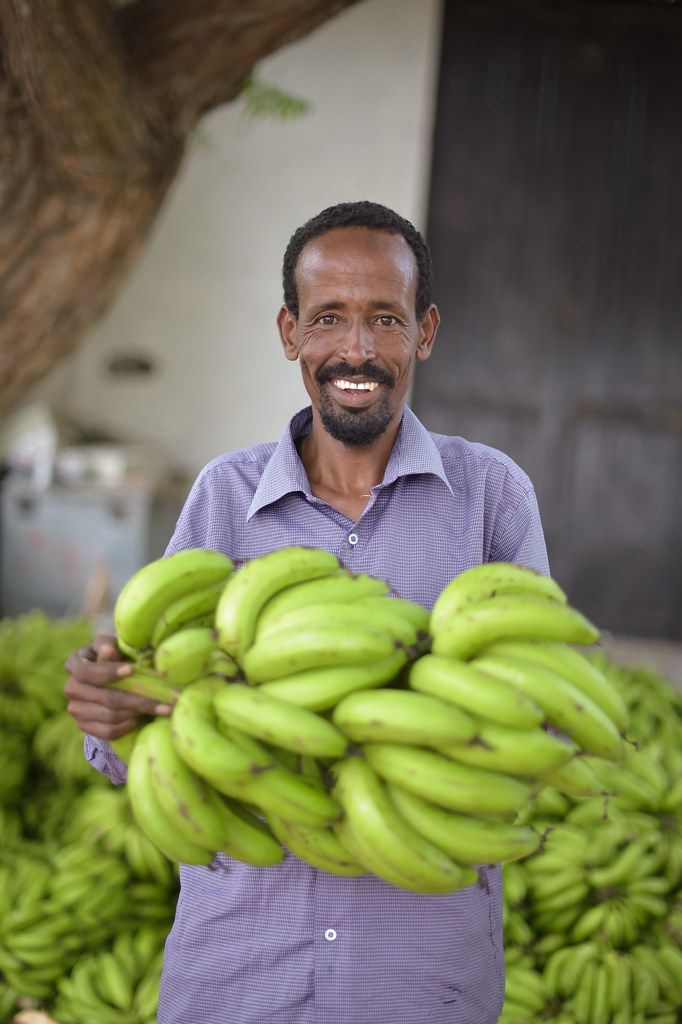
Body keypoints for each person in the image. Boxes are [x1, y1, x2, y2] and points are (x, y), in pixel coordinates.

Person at [64, 200, 550, 1024]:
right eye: (328, 318)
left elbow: (537, 725)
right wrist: (112, 702)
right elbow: (137, 740)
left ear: (424, 332)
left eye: (384, 319)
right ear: (290, 333)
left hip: (421, 986)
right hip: (236, 979)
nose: (356, 350)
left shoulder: (491, 496)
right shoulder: (225, 497)